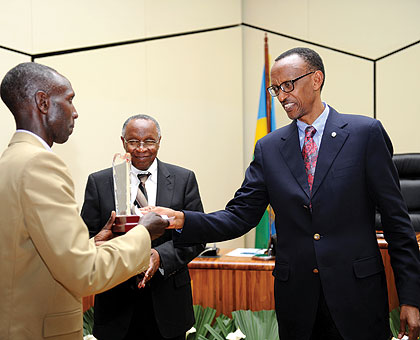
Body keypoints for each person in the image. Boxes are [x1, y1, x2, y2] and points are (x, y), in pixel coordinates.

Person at [151, 48, 420, 340]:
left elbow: (397, 223)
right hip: (298, 303)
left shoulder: (364, 133)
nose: (281, 96)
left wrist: (411, 296)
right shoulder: (270, 147)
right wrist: (180, 220)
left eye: (288, 85)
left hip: (358, 297)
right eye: (276, 89)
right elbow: (239, 216)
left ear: (316, 79)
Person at [0, 63, 169, 340]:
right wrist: (143, 232)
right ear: (43, 102)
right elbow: (84, 273)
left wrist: (92, 243)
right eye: (69, 100)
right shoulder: (40, 165)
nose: (75, 112)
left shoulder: (10, 160)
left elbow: (30, 254)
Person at [81, 114, 205, 340]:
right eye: (133, 141)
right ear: (122, 142)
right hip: (115, 305)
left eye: (149, 141)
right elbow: (87, 238)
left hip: (168, 303)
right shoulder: (100, 183)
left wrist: (159, 256)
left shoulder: (183, 179)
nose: (141, 149)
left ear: (159, 141)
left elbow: (196, 236)